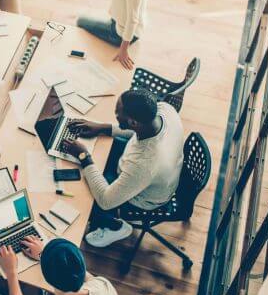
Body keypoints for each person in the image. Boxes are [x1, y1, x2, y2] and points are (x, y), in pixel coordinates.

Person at [63, 89, 184, 248]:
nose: (115, 114)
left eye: (117, 113)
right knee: (99, 157)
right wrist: (102, 128)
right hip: (146, 168)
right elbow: (137, 131)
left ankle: (116, 226)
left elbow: (106, 201)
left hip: (144, 198)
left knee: (85, 197)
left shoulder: (145, 163)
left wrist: (83, 155)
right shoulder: (164, 110)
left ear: (133, 122)